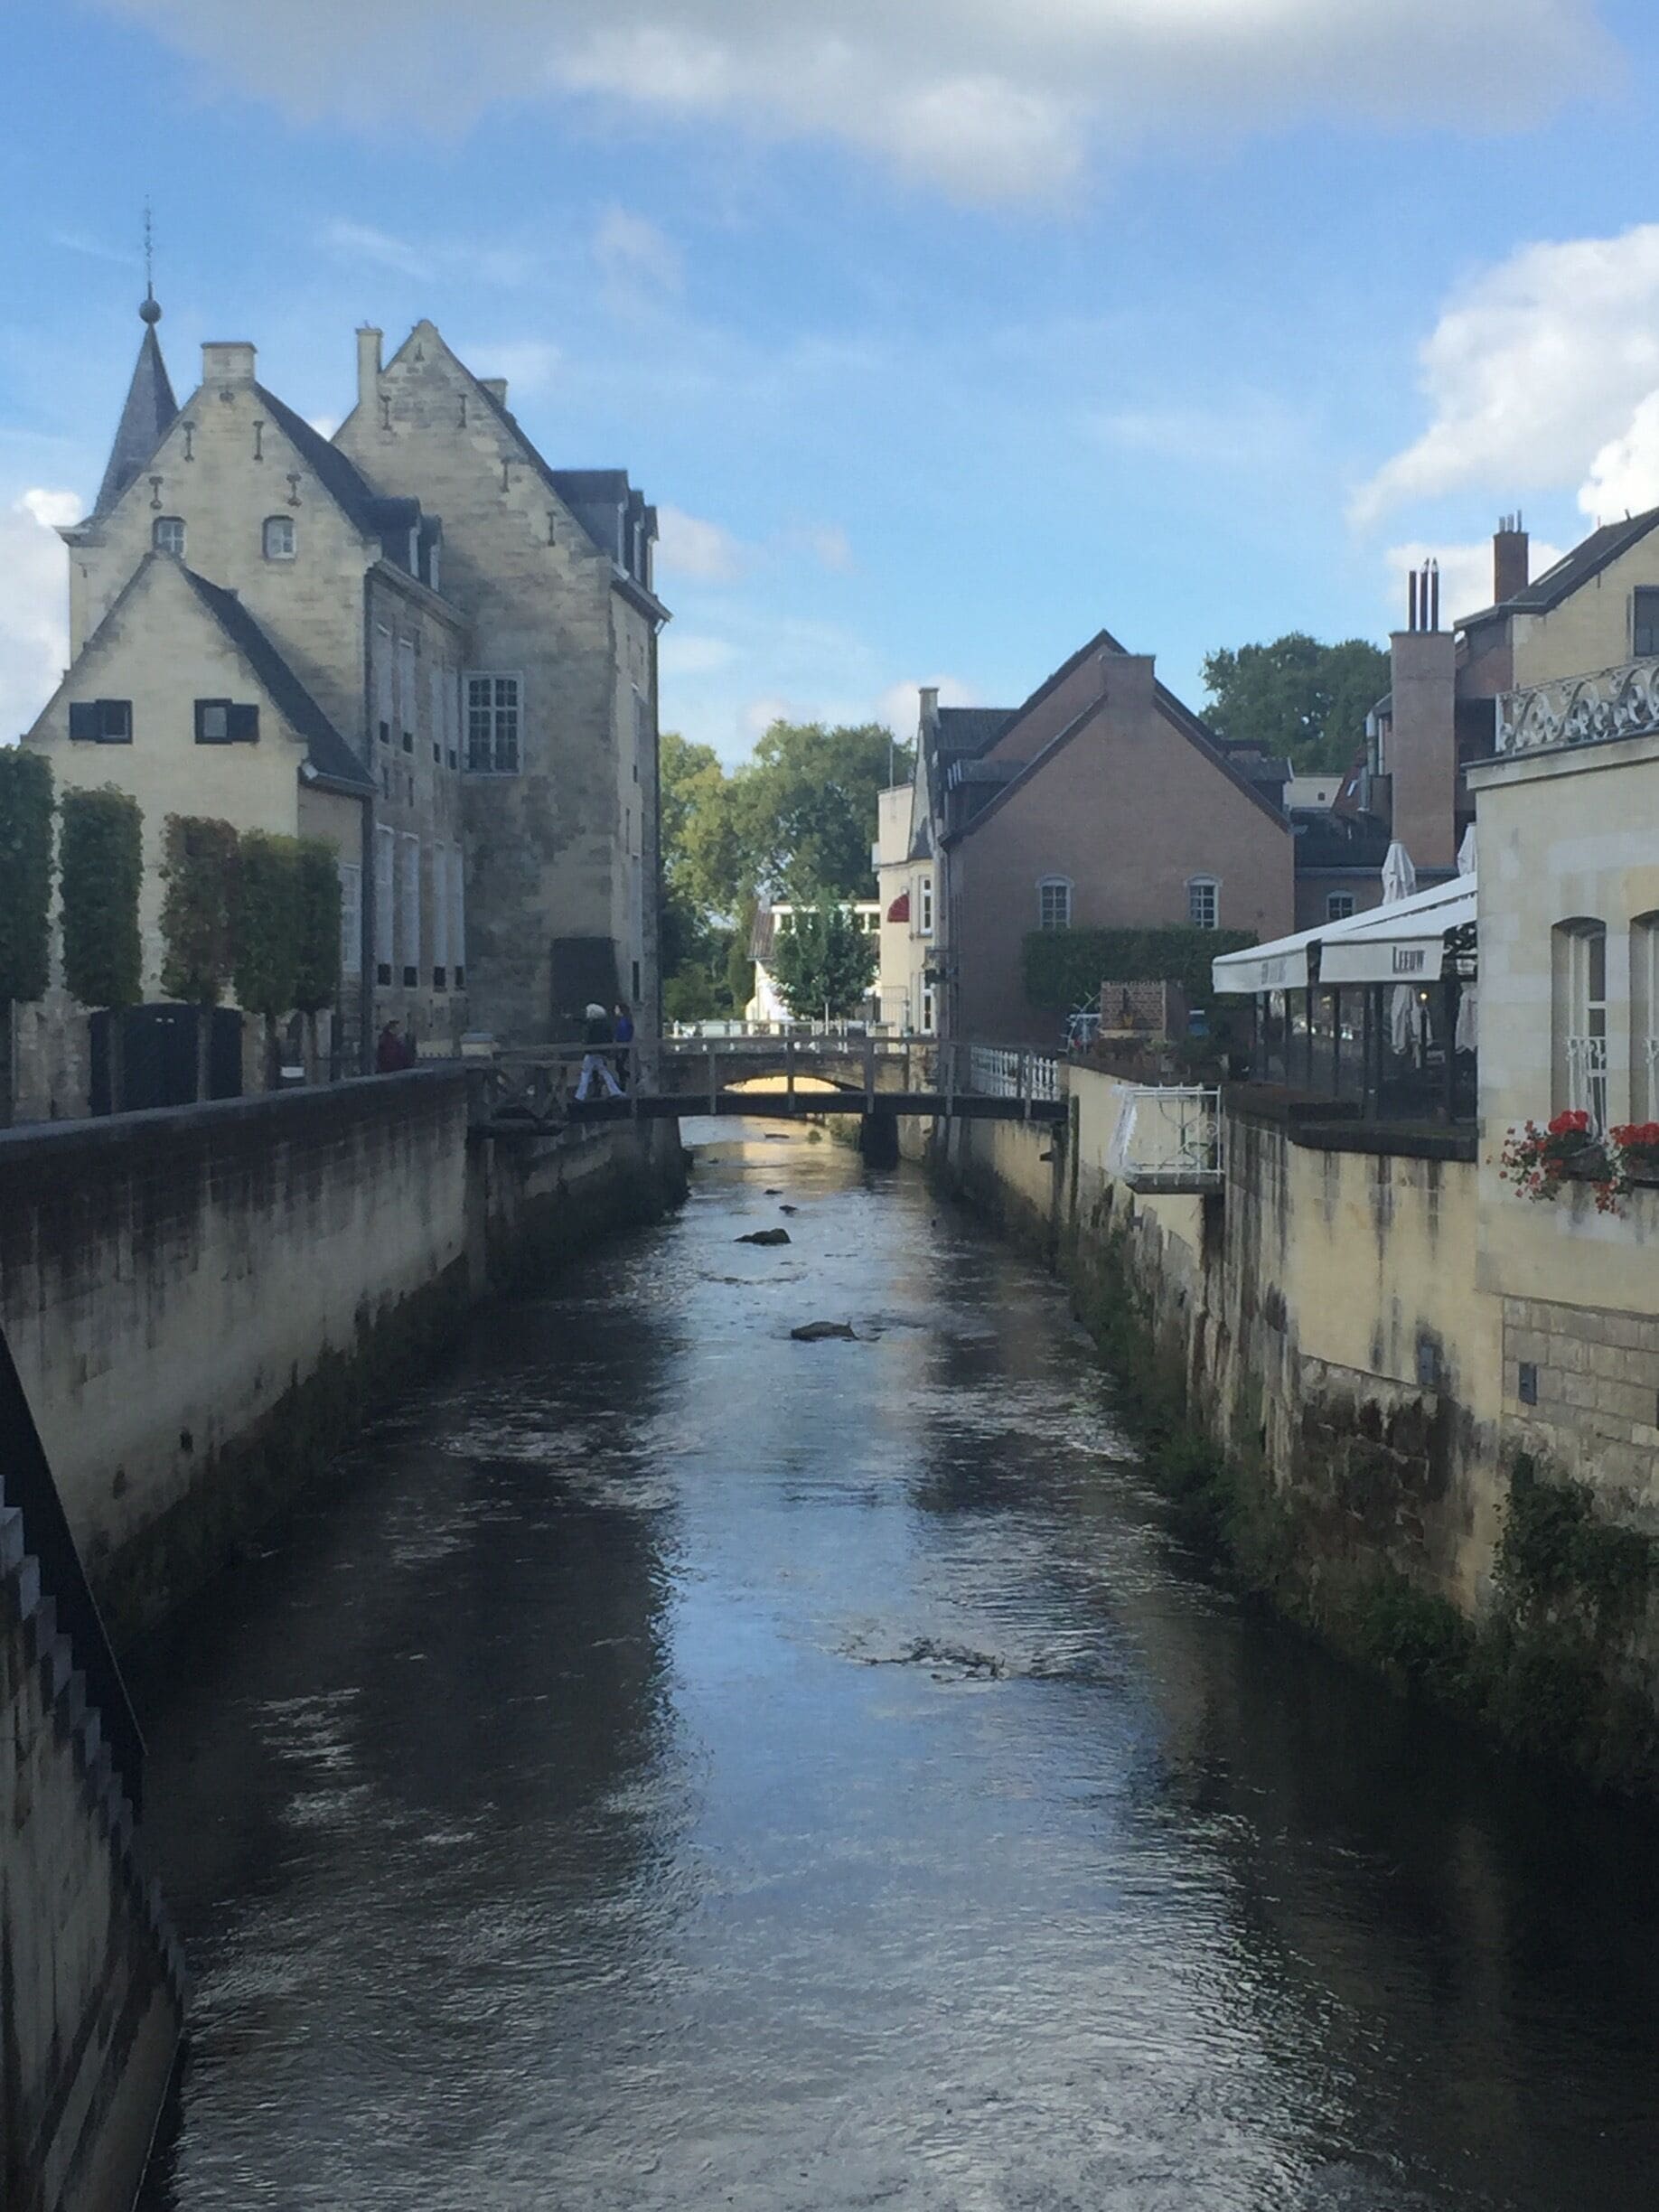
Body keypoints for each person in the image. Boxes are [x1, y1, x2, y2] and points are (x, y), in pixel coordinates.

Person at [575, 1002, 623, 1100]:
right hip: (601, 1052)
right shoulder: (604, 1024)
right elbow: (609, 1037)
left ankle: (580, 1095)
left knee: (586, 1073)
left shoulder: (592, 1025)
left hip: (591, 1052)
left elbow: (588, 1038)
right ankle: (615, 1091)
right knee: (603, 1071)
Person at [612, 1002, 634, 1091]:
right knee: (620, 1067)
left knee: (619, 1066)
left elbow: (623, 1035)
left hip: (622, 1046)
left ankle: (629, 1079)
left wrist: (619, 1045)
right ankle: (623, 1085)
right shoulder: (624, 1021)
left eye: (616, 1009)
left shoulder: (623, 1022)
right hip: (622, 1046)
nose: (615, 1011)